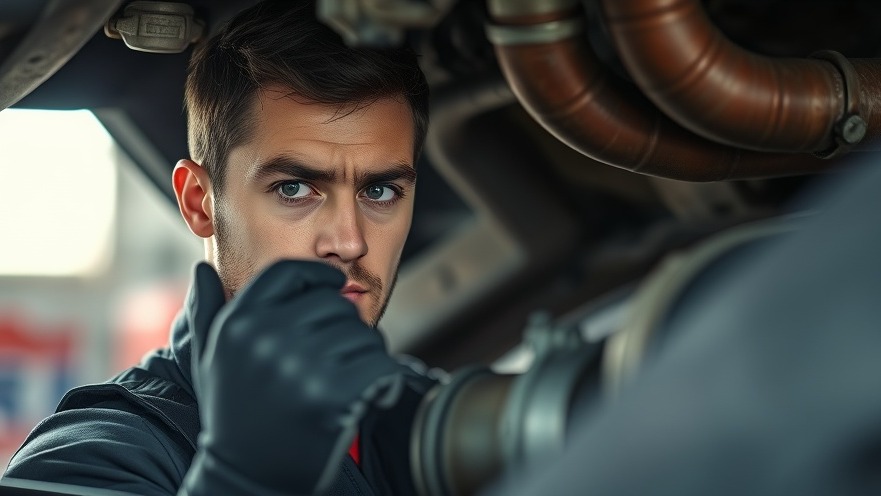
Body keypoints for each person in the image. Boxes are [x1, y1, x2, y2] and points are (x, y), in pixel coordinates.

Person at [3, 1, 434, 495]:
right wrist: (241, 480)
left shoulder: (432, 423)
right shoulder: (94, 456)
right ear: (199, 202)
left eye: (379, 192)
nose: (349, 242)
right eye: (294, 188)